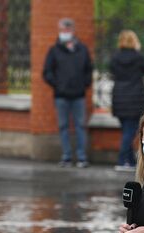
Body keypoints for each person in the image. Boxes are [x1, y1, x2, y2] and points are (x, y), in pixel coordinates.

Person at [42, 18, 93, 168]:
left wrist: (84, 84)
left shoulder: (82, 49)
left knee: (80, 126)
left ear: (72, 31)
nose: (64, 33)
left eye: (67, 30)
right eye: (62, 30)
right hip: (61, 96)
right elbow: (47, 72)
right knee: (63, 126)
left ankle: (82, 157)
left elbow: (88, 69)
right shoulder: (54, 50)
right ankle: (66, 157)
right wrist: (57, 85)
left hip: (79, 95)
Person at [110, 30, 144, 172]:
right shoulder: (138, 57)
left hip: (120, 97)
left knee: (126, 130)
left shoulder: (115, 57)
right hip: (135, 97)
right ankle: (122, 160)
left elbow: (112, 71)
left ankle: (131, 161)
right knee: (130, 131)